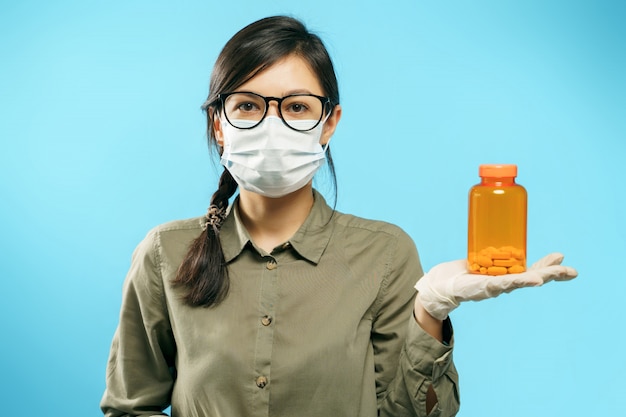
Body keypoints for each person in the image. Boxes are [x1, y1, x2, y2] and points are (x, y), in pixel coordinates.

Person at [100, 16, 577, 417]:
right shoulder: (164, 253)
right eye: (246, 105)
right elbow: (128, 408)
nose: (271, 125)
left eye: (296, 107)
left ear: (329, 122)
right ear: (217, 124)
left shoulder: (385, 254)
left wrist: (430, 310)